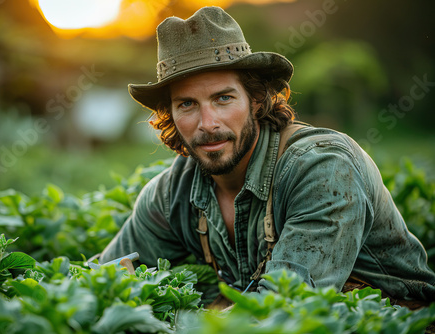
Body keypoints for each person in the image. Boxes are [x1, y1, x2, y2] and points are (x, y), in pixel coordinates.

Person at [100, 6, 435, 304]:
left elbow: (285, 306)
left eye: (223, 99)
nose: (207, 124)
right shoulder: (173, 192)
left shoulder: (323, 168)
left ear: (257, 99)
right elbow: (103, 275)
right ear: (169, 114)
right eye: (187, 104)